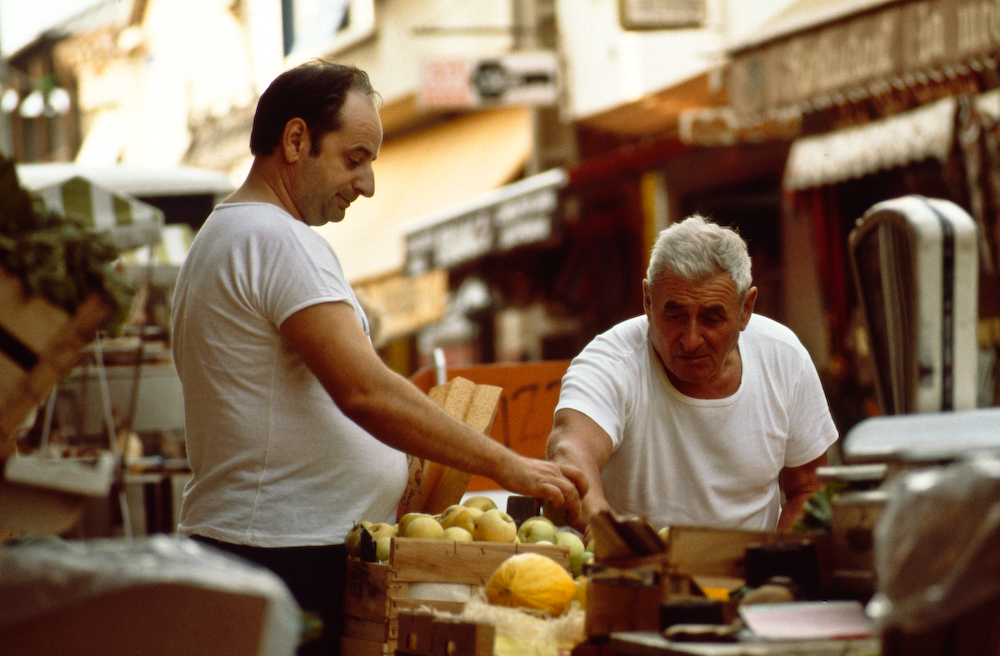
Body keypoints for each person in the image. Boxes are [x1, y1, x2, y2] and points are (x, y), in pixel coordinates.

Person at [171, 60, 584, 656]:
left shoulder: (224, 236)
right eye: (354, 157)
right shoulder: (278, 240)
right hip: (285, 556)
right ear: (296, 140)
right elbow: (364, 390)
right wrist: (510, 465)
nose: (367, 184)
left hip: (261, 547)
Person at [546, 214, 837, 539]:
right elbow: (571, 456)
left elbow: (808, 489)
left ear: (746, 309)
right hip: (639, 579)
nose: (691, 339)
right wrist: (617, 541)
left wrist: (773, 567)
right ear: (647, 301)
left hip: (753, 581)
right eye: (675, 315)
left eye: (712, 318)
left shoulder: (784, 357)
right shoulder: (610, 363)